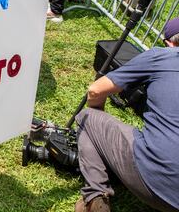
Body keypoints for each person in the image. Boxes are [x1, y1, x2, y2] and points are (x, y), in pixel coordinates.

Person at [74, 17, 179, 212]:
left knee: (87, 117)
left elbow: (95, 91)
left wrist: (98, 130)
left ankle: (95, 197)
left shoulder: (162, 56)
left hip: (159, 181)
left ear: (169, 43)